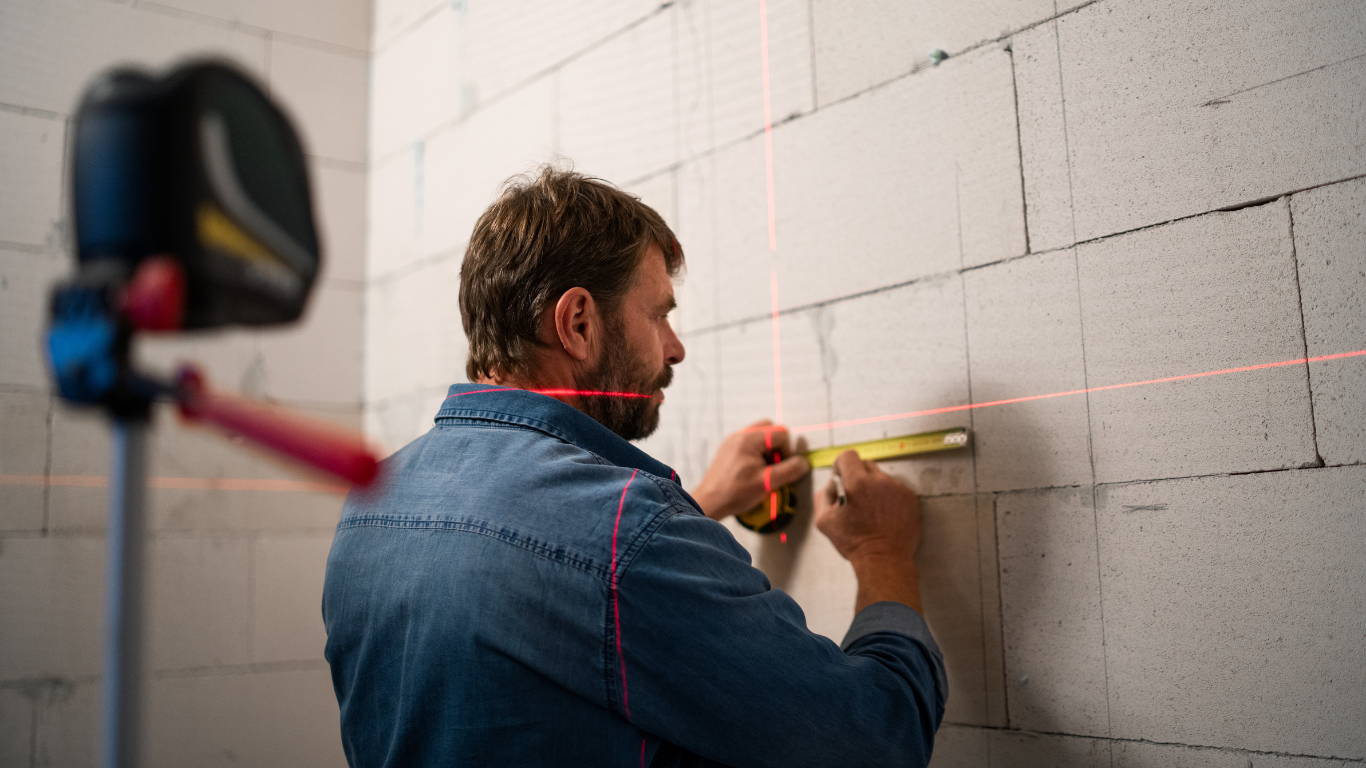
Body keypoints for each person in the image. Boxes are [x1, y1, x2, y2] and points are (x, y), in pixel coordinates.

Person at [322, 167, 946, 767]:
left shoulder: (373, 503)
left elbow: (555, 600)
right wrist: (880, 553)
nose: (675, 347)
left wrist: (697, 507)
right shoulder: (628, 535)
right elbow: (877, 739)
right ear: (578, 323)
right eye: (659, 315)